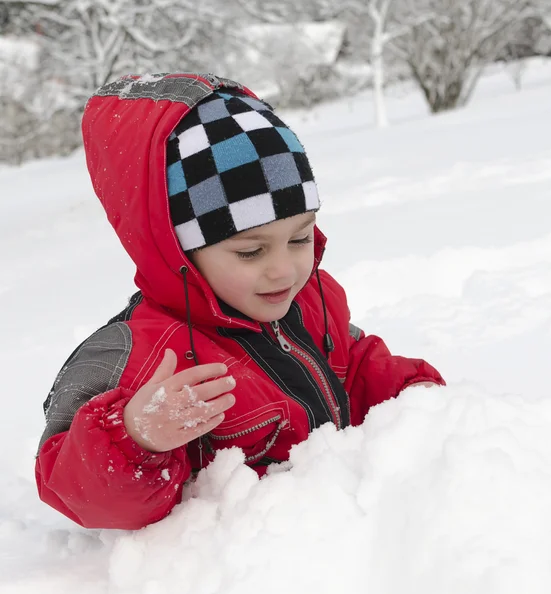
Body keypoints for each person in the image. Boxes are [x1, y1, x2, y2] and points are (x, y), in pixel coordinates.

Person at [35, 73, 445, 530]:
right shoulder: (134, 355)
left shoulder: (311, 298)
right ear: (177, 249)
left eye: (299, 238)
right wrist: (135, 436)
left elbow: (353, 365)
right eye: (251, 251)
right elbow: (75, 491)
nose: (284, 270)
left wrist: (411, 397)